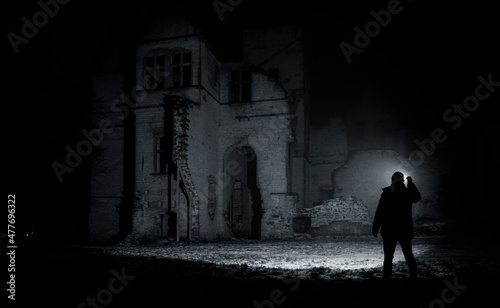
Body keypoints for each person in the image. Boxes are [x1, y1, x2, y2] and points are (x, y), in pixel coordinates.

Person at [372, 171, 422, 281]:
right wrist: (410, 184)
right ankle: (414, 278)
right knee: (409, 256)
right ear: (402, 180)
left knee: (388, 258)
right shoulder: (406, 193)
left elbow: (380, 211)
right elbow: (417, 197)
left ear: (392, 180)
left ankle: (386, 280)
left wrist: (375, 227)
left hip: (389, 229)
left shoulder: (387, 193)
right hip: (404, 229)